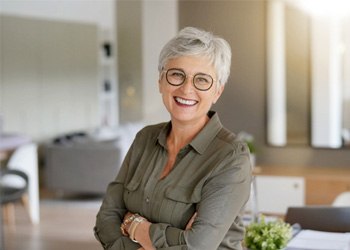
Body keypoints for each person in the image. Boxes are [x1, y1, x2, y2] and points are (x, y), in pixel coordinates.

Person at [94, 26, 252, 250]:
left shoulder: (231, 157)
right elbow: (106, 219)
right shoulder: (144, 138)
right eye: (177, 75)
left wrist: (134, 224)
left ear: (217, 91)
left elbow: (196, 246)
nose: (187, 89)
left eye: (202, 80)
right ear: (161, 81)